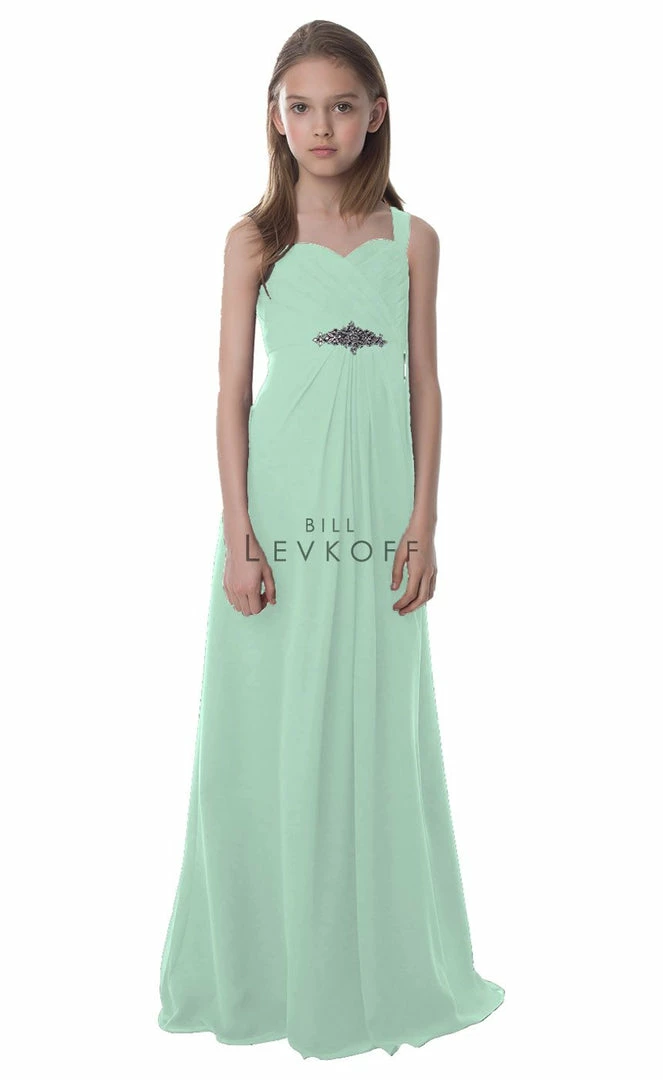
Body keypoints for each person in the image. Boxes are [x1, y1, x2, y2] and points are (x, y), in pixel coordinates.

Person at [157, 18, 504, 1061]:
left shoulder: (413, 239)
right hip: (280, 515)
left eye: (342, 106)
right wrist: (240, 536)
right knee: (262, 738)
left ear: (376, 114)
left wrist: (424, 522)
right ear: (275, 117)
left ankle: (374, 969)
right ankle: (264, 974)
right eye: (300, 106)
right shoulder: (253, 240)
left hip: (380, 520)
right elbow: (229, 394)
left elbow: (425, 384)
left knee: (376, 731)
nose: (321, 126)